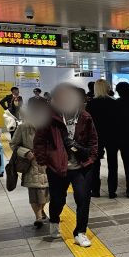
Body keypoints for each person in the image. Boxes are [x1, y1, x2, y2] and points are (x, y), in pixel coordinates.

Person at [33, 83, 98, 247]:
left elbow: (93, 141)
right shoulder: (51, 118)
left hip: (82, 167)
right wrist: (43, 161)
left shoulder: (85, 117)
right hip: (57, 167)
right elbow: (39, 141)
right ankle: (54, 222)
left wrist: (91, 158)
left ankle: (80, 232)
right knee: (57, 199)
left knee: (83, 199)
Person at [10, 98, 50, 227]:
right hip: (31, 163)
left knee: (45, 193)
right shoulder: (24, 127)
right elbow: (13, 144)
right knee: (34, 192)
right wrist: (26, 152)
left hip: (48, 163)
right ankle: (38, 217)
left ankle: (42, 210)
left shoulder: (51, 125)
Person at [86, 79, 119, 198]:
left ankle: (95, 190)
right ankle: (112, 191)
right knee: (113, 164)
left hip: (95, 137)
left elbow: (87, 123)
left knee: (95, 165)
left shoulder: (91, 104)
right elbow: (118, 122)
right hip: (112, 136)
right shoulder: (114, 103)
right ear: (107, 88)